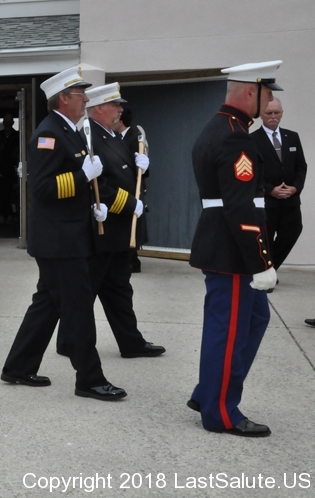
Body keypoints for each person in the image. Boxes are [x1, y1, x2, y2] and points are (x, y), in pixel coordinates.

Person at [0, 66, 126, 401]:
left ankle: (18, 366)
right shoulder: (49, 134)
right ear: (63, 99)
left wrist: (94, 205)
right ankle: (90, 379)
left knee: (47, 304)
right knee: (78, 309)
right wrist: (82, 177)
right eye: (81, 94)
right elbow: (43, 189)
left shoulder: (69, 130)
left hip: (68, 236)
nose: (86, 99)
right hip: (59, 241)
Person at [187, 61, 282, 437]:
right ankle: (221, 413)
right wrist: (260, 261)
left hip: (227, 244)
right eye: (268, 94)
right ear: (250, 92)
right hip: (233, 249)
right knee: (228, 332)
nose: (270, 102)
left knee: (255, 319)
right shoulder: (234, 136)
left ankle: (208, 393)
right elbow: (240, 207)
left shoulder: (223, 128)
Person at [55, 83, 164, 359]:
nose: (120, 110)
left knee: (119, 290)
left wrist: (141, 170)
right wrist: (129, 205)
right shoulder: (89, 137)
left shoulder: (113, 136)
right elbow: (98, 186)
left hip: (118, 230)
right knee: (86, 291)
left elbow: (123, 175)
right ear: (99, 108)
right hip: (101, 229)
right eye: (115, 105)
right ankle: (68, 341)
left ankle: (131, 343)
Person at [251, 98, 307, 280]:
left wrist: (295, 188)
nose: (273, 116)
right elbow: (251, 171)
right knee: (266, 239)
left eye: (277, 112)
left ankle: (270, 270)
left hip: (290, 200)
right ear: (261, 115)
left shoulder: (292, 137)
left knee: (293, 232)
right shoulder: (252, 140)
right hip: (267, 201)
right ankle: (267, 276)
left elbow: (301, 166)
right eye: (269, 113)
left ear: (282, 114)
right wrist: (270, 189)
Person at [113, 104, 147, 272]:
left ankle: (133, 261)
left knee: (132, 223)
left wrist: (143, 167)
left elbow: (141, 167)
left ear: (120, 121)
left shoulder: (135, 137)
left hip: (133, 187)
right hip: (120, 187)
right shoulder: (116, 137)